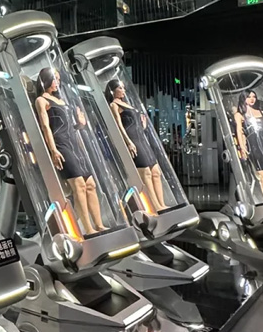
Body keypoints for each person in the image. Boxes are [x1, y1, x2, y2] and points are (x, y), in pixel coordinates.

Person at [35, 67, 106, 236]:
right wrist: (53, 150)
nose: (57, 82)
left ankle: (99, 225)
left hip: (74, 143)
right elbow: (45, 127)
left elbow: (69, 126)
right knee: (79, 186)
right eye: (54, 78)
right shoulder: (41, 100)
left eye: (58, 79)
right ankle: (87, 229)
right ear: (46, 80)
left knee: (91, 184)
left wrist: (79, 125)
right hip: (61, 144)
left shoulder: (61, 100)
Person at [105, 79, 166, 211]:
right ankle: (155, 206)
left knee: (156, 171)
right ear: (113, 90)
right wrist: (128, 142)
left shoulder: (126, 103)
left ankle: (162, 204)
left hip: (141, 137)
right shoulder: (114, 105)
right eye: (120, 88)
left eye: (123, 87)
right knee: (146, 173)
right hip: (133, 138)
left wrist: (142, 126)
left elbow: (135, 122)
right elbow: (119, 125)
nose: (123, 90)